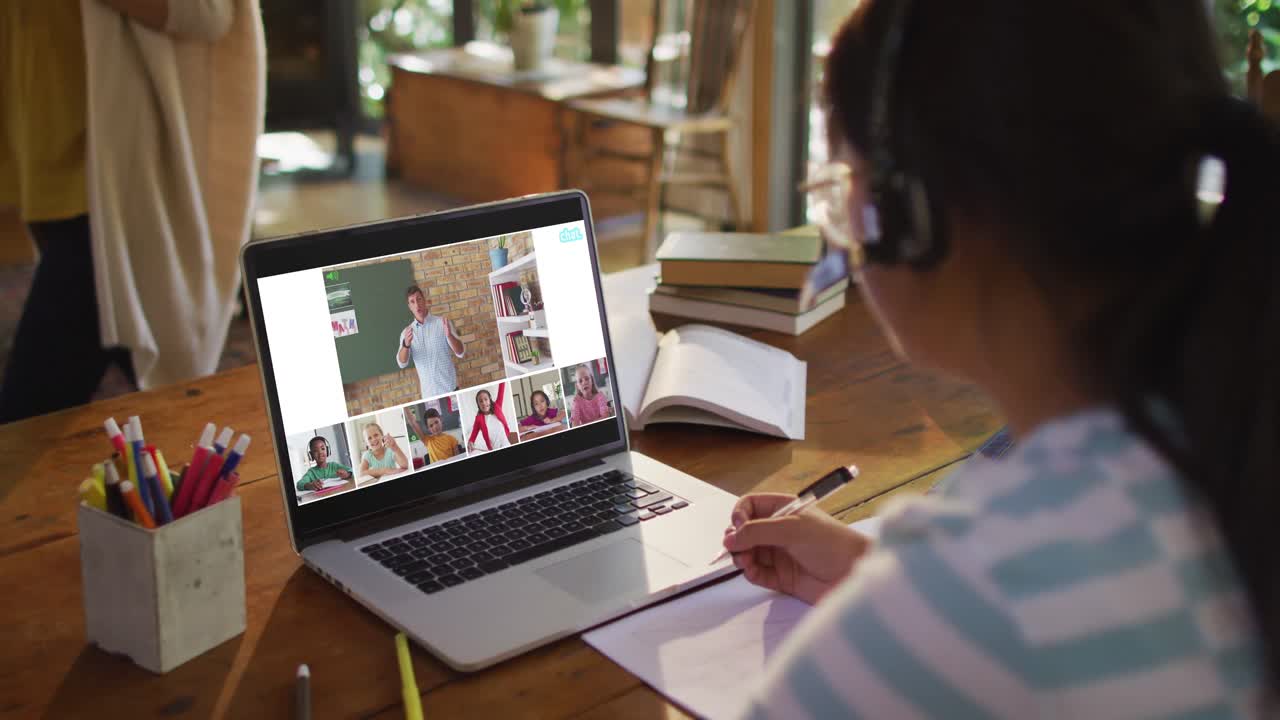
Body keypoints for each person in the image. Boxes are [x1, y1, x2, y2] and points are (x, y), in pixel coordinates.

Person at [722, 2, 1275, 717]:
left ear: (916, 212)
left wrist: (918, 612)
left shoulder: (980, 587)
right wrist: (878, 580)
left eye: (842, 185)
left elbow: (1013, 606)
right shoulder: (1224, 440)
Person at [0, 0, 264, 423]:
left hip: (115, 188)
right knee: (154, 386)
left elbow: (209, 11)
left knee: (26, 416)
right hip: (46, 165)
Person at [395, 285, 465, 400]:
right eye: (412, 302)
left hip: (450, 390)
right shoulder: (406, 333)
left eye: (419, 299)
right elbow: (402, 363)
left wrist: (449, 336)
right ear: (409, 307)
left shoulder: (442, 323)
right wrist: (406, 345)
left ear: (424, 300)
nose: (417, 304)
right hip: (429, 396)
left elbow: (461, 352)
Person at [467, 389, 512, 453]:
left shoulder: (497, 406)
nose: (484, 403)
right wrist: (470, 442)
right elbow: (473, 436)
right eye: (480, 401)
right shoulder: (478, 419)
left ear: (490, 399)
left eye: (486, 399)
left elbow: (501, 388)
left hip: (507, 445)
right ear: (478, 405)